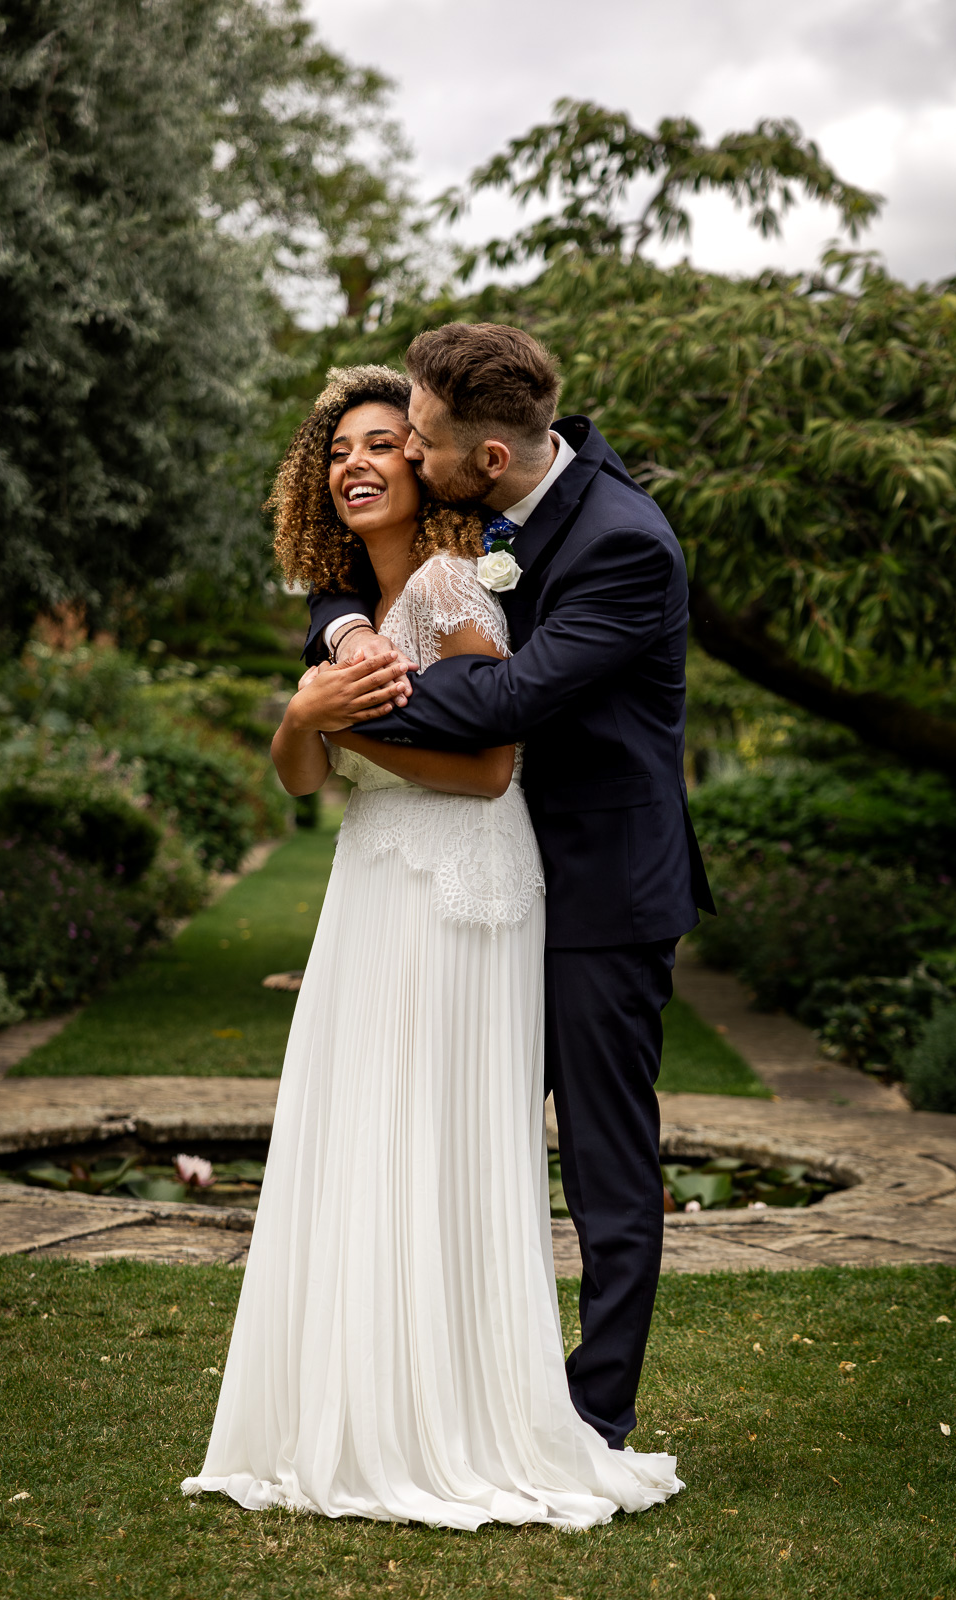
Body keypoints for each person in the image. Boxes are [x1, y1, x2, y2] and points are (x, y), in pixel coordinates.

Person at [182, 364, 683, 1528]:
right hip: (384, 882)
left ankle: (572, 1417)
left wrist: (347, 708)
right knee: (368, 1127)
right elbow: (311, 758)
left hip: (561, 876)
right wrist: (313, 707)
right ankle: (370, 1395)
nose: (369, 456)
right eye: (344, 447)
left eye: (393, 437)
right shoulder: (376, 584)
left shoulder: (587, 543)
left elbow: (499, 736)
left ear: (450, 460)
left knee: (562, 1158)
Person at [307, 325, 714, 1452]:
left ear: (487, 456)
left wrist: (331, 706)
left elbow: (498, 706)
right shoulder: (507, 501)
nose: (411, 459)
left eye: (422, 440)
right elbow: (367, 573)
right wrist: (342, 632)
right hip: (494, 886)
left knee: (603, 1167)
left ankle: (595, 1413)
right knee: (453, 1137)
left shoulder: (624, 543)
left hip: (597, 897)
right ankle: (447, 1387)